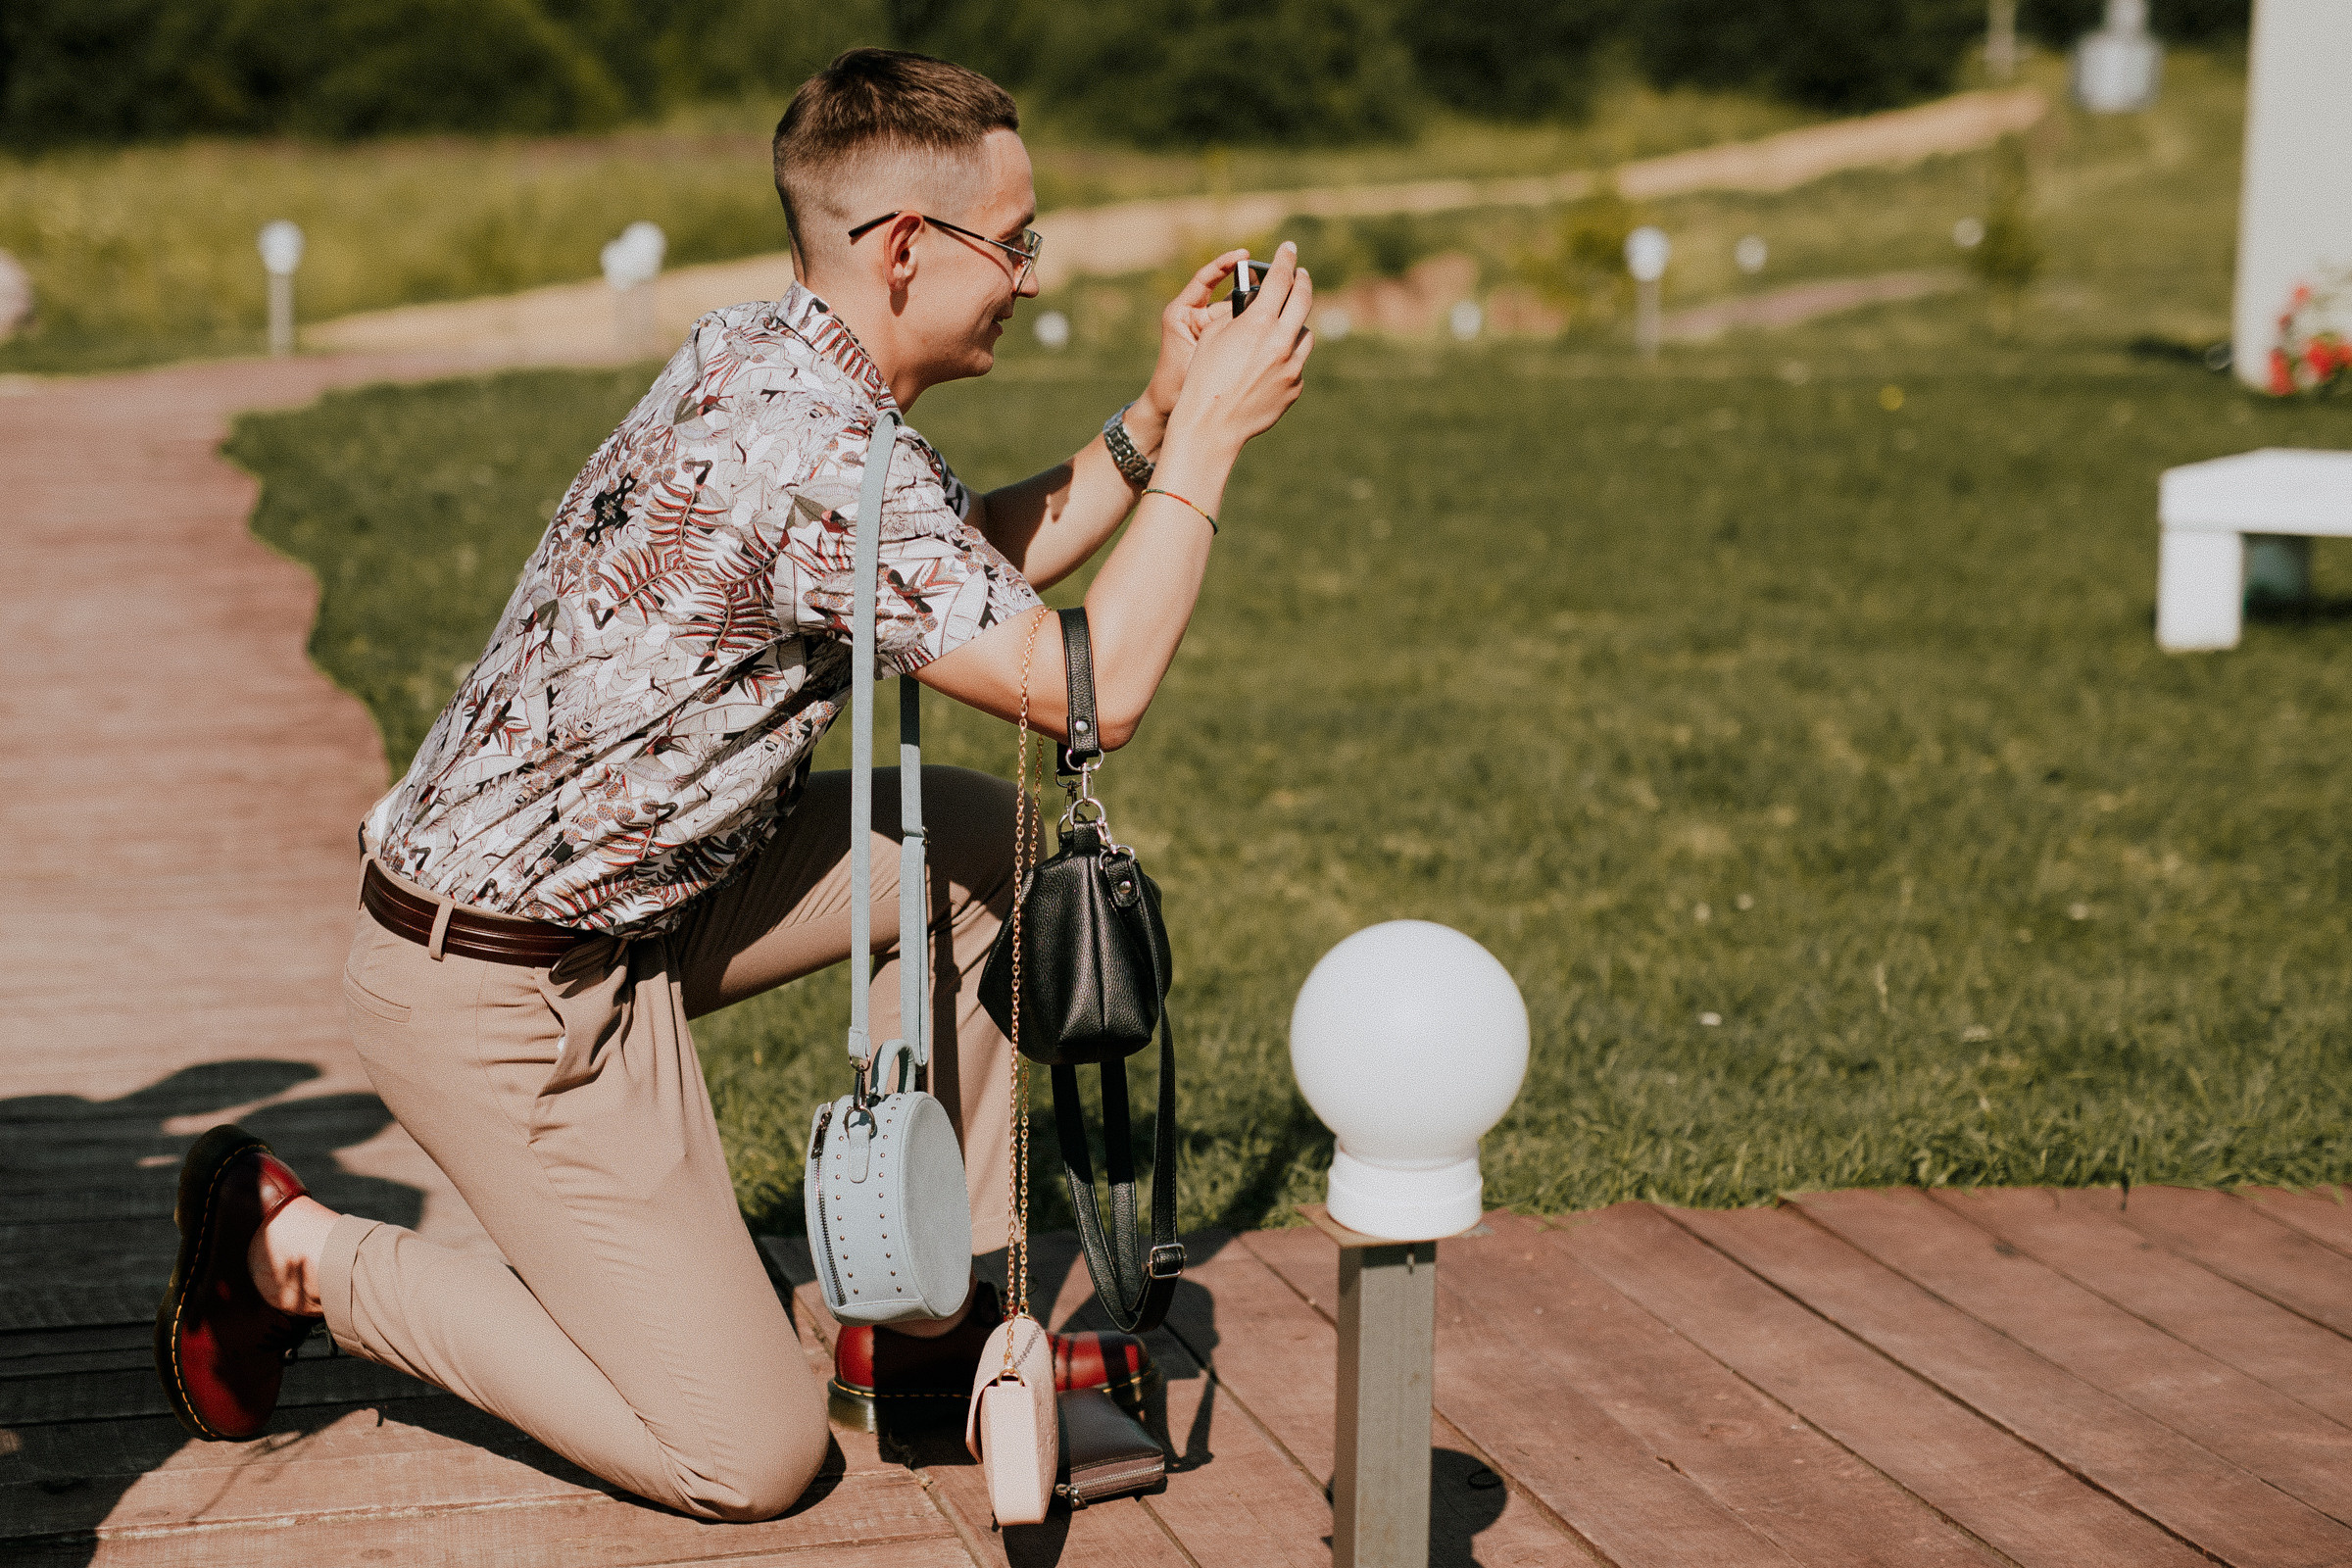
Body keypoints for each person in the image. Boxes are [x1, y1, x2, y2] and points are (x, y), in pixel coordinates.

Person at [152, 47, 1311, 1520]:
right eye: (1016, 243)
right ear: (907, 248)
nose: (1030, 274)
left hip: (636, 909)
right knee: (748, 1457)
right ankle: (296, 1256)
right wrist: (1212, 439)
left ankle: (927, 1326)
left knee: (990, 846)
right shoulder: (812, 453)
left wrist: (1148, 418)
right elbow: (1095, 691)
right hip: (496, 993)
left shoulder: (770, 354)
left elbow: (960, 578)